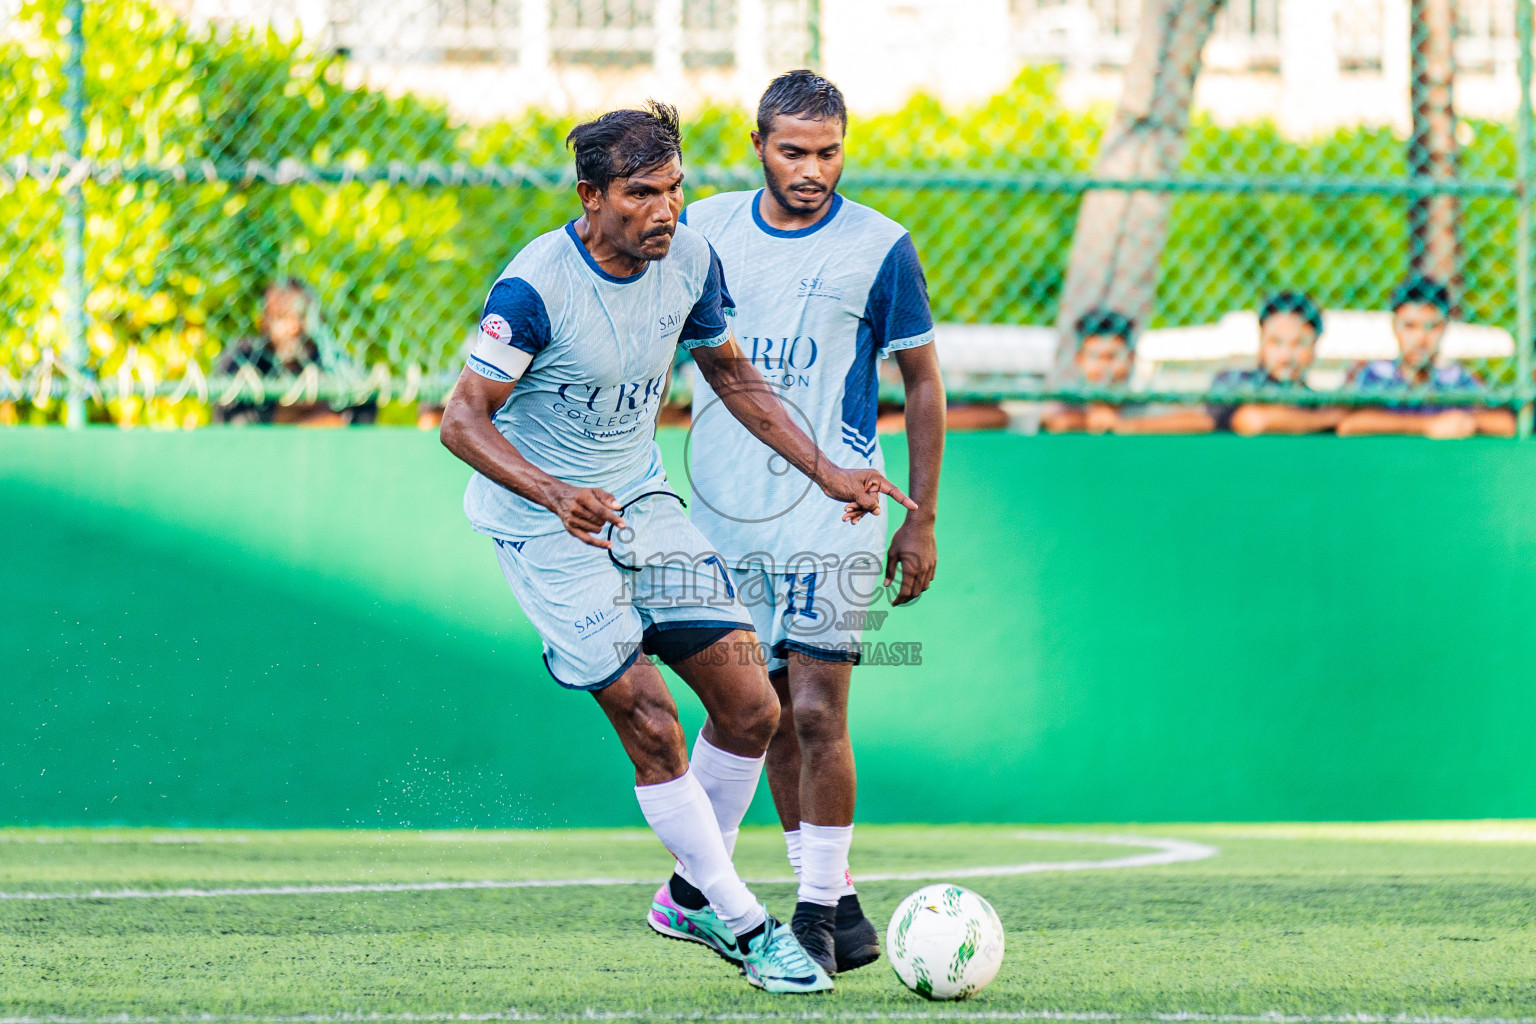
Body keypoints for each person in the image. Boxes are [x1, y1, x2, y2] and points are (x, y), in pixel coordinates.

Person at [437, 102, 917, 995]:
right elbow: (461, 421)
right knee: (652, 723)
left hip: (641, 503)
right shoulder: (535, 287)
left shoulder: (691, 258)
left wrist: (826, 472)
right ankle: (743, 921)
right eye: (641, 194)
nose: (665, 210)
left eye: (675, 189)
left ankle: (690, 894)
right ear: (591, 198)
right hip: (544, 522)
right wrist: (552, 492)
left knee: (751, 707)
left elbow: (732, 373)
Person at [675, 70, 945, 977]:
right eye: (793, 151)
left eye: (829, 152)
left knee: (821, 710)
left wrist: (923, 520)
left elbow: (924, 381)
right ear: (758, 145)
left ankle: (818, 917)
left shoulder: (881, 246)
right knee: (765, 714)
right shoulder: (703, 228)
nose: (813, 169)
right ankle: (847, 914)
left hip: (839, 509)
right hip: (722, 515)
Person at [1336, 275, 1515, 439]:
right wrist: (1428, 425)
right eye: (1410, 326)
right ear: (1394, 327)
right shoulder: (1375, 375)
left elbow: (1504, 423)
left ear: (1444, 328)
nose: (1420, 339)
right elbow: (1350, 422)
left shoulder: (1454, 378)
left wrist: (1468, 421)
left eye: (1431, 327)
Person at [213, 279, 376, 426]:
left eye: (302, 317)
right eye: (281, 317)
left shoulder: (330, 358)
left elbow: (363, 412)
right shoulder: (244, 358)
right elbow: (236, 423)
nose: (293, 327)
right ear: (263, 322)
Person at [1041, 308, 1214, 434]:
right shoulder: (1067, 399)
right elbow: (1050, 420)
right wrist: (1087, 421)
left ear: (1131, 358)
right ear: (1079, 360)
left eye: (1112, 356)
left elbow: (1201, 422)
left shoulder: (1144, 400)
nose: (1103, 366)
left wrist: (1126, 425)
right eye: (1095, 356)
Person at [1208, 291, 1344, 436]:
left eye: (1299, 343)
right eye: (1276, 342)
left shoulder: (1314, 400)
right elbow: (1252, 420)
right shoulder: (1234, 380)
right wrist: (1328, 418)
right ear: (1261, 342)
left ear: (1314, 346)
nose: (1286, 356)